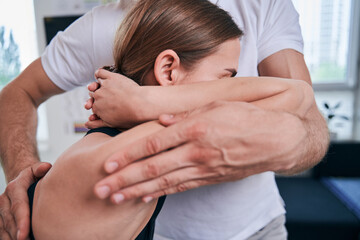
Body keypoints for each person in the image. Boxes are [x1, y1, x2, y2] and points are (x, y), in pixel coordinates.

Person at [0, 0, 329, 239]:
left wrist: (146, 102)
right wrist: (23, 179)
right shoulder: (121, 160)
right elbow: (295, 96)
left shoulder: (263, 6)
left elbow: (305, 111)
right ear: (168, 69)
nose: (230, 88)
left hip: (256, 227)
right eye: (226, 79)